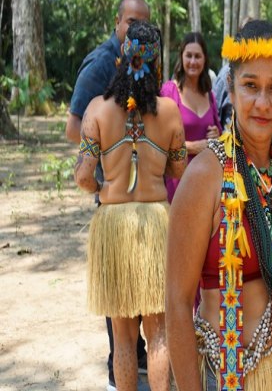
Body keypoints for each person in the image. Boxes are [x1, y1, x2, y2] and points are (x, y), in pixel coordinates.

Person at [165, 20, 272, 391]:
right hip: (227, 377)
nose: (262, 103)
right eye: (250, 86)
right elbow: (177, 302)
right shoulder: (205, 175)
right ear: (230, 88)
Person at [74, 20, 187, 391]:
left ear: (123, 60)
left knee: (122, 337)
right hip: (156, 222)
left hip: (113, 223)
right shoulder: (170, 112)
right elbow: (178, 169)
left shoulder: (97, 111)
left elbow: (83, 175)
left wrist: (104, 188)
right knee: (158, 333)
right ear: (156, 65)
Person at [64, 0, 151, 391]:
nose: (136, 30)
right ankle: (123, 365)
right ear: (117, 23)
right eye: (130, 22)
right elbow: (74, 128)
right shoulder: (102, 64)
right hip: (116, 195)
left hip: (145, 202)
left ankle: (137, 359)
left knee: (146, 299)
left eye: (143, 23)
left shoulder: (141, 62)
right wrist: (105, 176)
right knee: (120, 302)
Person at [160, 32, 222, 202]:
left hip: (206, 182)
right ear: (181, 57)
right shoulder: (169, 92)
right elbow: (159, 142)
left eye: (197, 56)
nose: (193, 61)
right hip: (177, 184)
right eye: (189, 55)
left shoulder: (209, 95)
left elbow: (220, 140)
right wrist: (195, 147)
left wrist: (216, 134)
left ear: (204, 60)